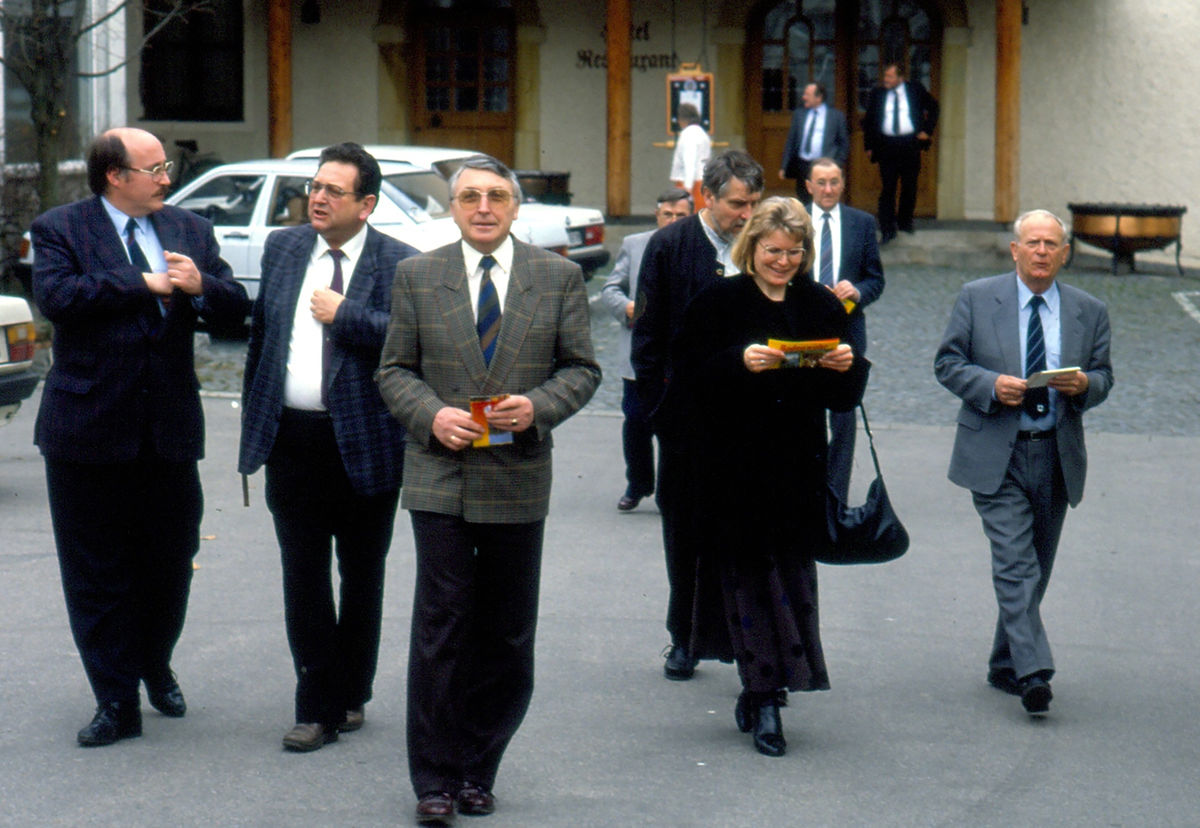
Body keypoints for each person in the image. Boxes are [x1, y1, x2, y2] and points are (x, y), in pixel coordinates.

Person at [375, 155, 600, 825]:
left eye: (496, 196)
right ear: (452, 207)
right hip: (439, 472)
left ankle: (479, 767)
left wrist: (538, 407)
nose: (482, 207)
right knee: (441, 626)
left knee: (505, 631)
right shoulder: (418, 276)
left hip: (517, 472)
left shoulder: (556, 277)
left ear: (515, 207)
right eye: (469, 196)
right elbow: (394, 370)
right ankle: (434, 779)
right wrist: (430, 415)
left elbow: (582, 369)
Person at [30, 127, 249, 747]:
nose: (166, 179)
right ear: (114, 176)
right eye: (153, 170)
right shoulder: (61, 228)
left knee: (170, 562)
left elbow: (234, 305)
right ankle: (115, 698)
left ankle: (154, 661)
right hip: (87, 430)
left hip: (168, 431)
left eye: (165, 168)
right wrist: (143, 282)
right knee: (95, 570)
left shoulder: (189, 229)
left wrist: (201, 286)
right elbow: (58, 297)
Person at [672, 197, 868, 756]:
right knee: (747, 577)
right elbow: (684, 378)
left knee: (791, 580)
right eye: (773, 251)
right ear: (751, 247)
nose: (783, 262)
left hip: (795, 464)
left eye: (794, 252)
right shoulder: (718, 300)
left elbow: (841, 399)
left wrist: (846, 367)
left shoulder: (820, 304)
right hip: (731, 466)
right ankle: (763, 697)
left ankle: (768, 685)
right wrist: (737, 362)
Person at [238, 143, 416, 751]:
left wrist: (347, 315)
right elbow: (263, 338)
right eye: (314, 186)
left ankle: (352, 689)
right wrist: (254, 429)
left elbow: (412, 339)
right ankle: (316, 706)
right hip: (293, 439)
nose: (317, 198)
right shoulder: (284, 248)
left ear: (366, 204)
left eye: (333, 191)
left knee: (362, 575)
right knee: (304, 574)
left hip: (367, 443)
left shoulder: (399, 262)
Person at [934, 209, 1113, 717]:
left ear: (1065, 254)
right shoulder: (977, 297)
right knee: (1015, 562)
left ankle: (1004, 662)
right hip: (997, 451)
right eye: (1032, 242)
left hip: (1056, 452)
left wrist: (1085, 385)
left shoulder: (1089, 310)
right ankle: (1033, 672)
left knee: (1036, 566)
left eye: (1051, 244)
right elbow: (947, 363)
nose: (1041, 252)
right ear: (1014, 250)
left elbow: (1104, 376)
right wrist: (990, 384)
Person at [632, 150, 764, 680]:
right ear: (708, 197)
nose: (746, 215)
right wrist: (660, 411)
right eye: (737, 204)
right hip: (686, 420)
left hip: (752, 420)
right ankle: (684, 636)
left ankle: (750, 644)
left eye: (753, 204)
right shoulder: (670, 245)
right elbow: (647, 338)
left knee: (747, 534)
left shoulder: (763, 244)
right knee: (685, 530)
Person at [600, 187, 693, 512]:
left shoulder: (697, 246)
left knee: (679, 426)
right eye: (667, 214)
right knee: (637, 421)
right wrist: (627, 307)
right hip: (641, 354)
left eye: (680, 215)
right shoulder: (635, 244)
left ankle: (673, 489)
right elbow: (611, 287)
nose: (673, 220)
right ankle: (638, 483)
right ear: (657, 215)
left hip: (682, 355)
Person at [805, 157, 885, 501]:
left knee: (843, 414)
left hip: (847, 331)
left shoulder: (861, 223)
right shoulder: (794, 220)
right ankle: (805, 485)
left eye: (834, 182)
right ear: (809, 186)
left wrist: (858, 291)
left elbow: (876, 280)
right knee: (803, 408)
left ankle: (836, 492)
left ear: (842, 184)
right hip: (802, 329)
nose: (828, 189)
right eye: (821, 182)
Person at [862, 62, 939, 243]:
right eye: (885, 76)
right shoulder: (878, 93)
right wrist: (869, 146)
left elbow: (934, 108)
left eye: (890, 76)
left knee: (909, 185)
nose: (886, 80)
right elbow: (869, 120)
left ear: (901, 78)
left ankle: (905, 222)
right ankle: (887, 229)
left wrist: (927, 131)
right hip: (886, 145)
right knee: (887, 187)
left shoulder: (915, 90)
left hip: (909, 143)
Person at [779, 82, 850, 200]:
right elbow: (791, 141)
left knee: (822, 196)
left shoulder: (836, 116)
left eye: (807, 95)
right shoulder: (799, 114)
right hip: (803, 164)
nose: (803, 97)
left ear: (819, 97)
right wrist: (784, 166)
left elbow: (844, 144)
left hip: (825, 165)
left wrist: (837, 163)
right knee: (803, 197)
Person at [669, 102, 712, 208]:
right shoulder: (702, 133)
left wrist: (687, 187)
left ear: (682, 119)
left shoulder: (688, 135)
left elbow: (689, 162)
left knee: (687, 213)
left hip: (689, 183)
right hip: (703, 179)